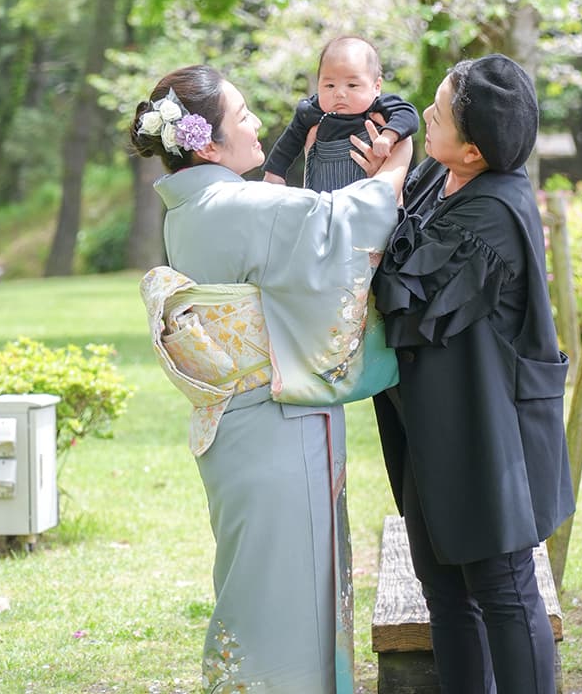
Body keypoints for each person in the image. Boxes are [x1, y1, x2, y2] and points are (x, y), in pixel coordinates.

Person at [131, 64, 410, 694]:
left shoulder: (193, 204)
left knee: (259, 580)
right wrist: (394, 170)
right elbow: (339, 222)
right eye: (245, 115)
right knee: (289, 586)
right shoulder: (231, 203)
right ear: (206, 142)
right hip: (275, 422)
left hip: (238, 424)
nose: (258, 123)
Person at [364, 53, 575, 694]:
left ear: (476, 149)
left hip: (489, 431)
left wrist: (386, 187)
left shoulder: (494, 213)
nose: (424, 115)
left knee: (503, 591)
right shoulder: (441, 175)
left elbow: (400, 295)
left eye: (440, 110)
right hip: (434, 422)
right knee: (444, 589)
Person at [263, 34, 419, 191]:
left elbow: (408, 114)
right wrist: (274, 173)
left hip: (367, 201)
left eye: (352, 85)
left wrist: (388, 136)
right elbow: (287, 143)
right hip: (321, 199)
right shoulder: (312, 111)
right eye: (329, 85)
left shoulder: (379, 106)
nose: (339, 93)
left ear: (376, 86)